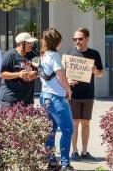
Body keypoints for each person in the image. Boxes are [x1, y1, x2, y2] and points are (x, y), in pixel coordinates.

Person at [38, 28, 74, 171]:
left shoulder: (43, 56)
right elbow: (61, 77)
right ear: (57, 41)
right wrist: (69, 90)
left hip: (44, 97)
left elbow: (49, 78)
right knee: (67, 130)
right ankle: (65, 164)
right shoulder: (54, 56)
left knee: (51, 131)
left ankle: (51, 162)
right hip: (56, 98)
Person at [65, 28, 103, 161]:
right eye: (75, 39)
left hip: (88, 94)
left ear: (87, 38)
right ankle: (74, 151)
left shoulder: (94, 54)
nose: (77, 41)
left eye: (80, 39)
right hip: (73, 94)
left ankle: (85, 151)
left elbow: (100, 74)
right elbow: (61, 74)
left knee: (86, 123)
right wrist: (67, 81)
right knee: (75, 123)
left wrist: (95, 71)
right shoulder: (69, 53)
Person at [0, 32, 39, 107]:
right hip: (10, 99)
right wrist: (18, 74)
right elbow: (1, 74)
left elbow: (39, 71)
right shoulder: (9, 55)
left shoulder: (34, 55)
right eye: (29, 43)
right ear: (21, 43)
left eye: (32, 43)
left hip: (27, 99)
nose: (31, 45)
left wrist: (35, 74)